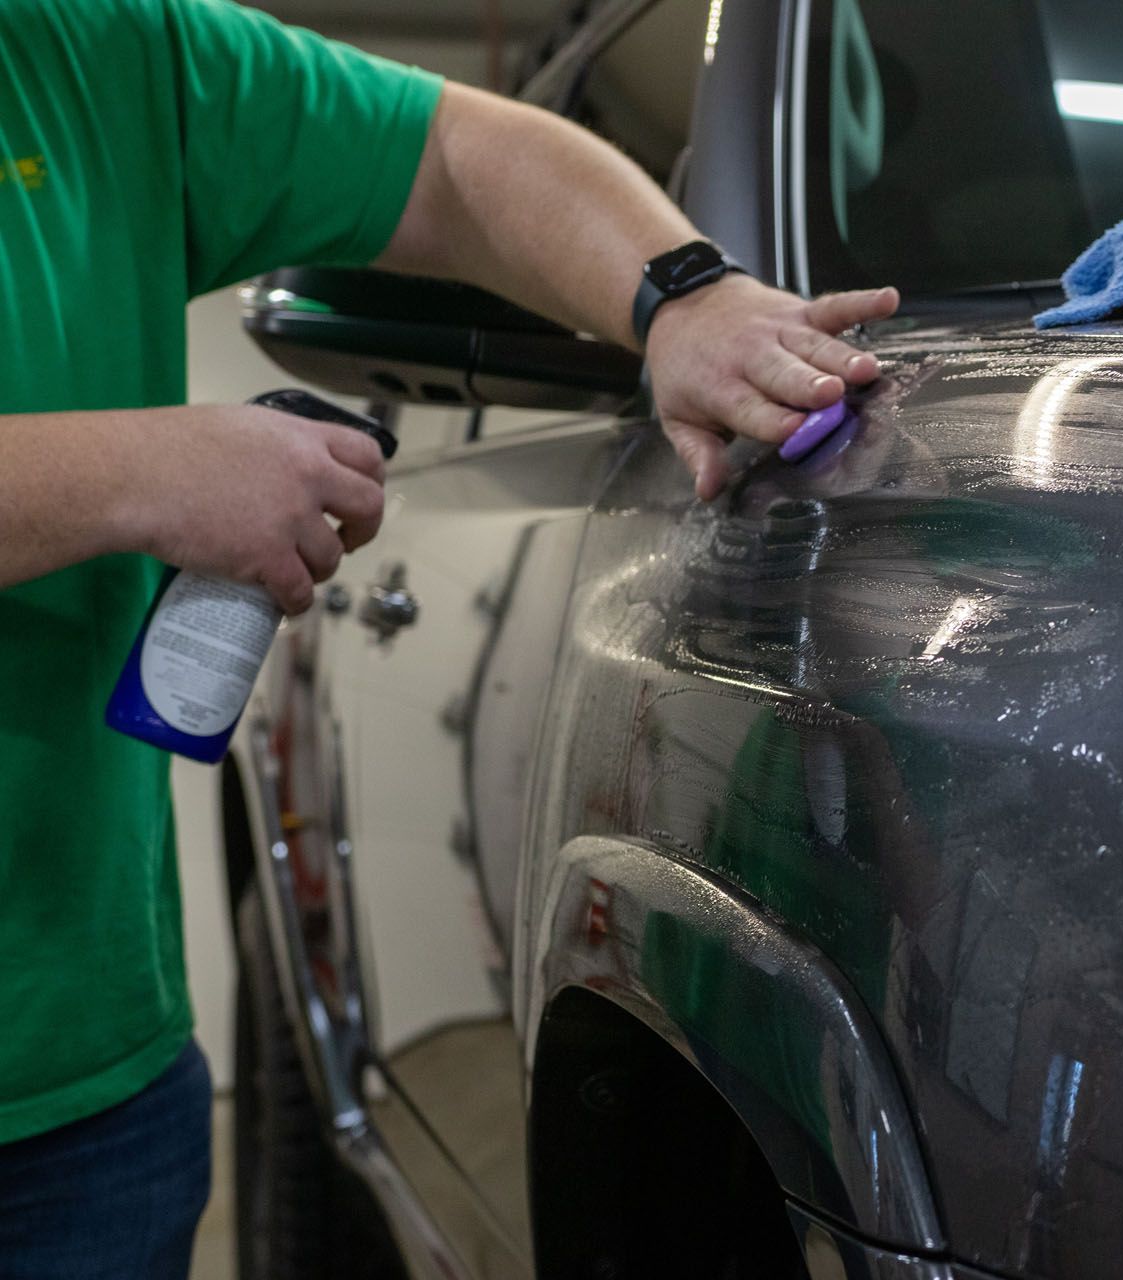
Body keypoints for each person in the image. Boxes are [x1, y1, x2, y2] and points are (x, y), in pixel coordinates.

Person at [0, 0, 898, 1272]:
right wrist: (135, 474)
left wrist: (687, 298)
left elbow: (460, 156)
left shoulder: (94, 48)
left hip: (92, 1084)